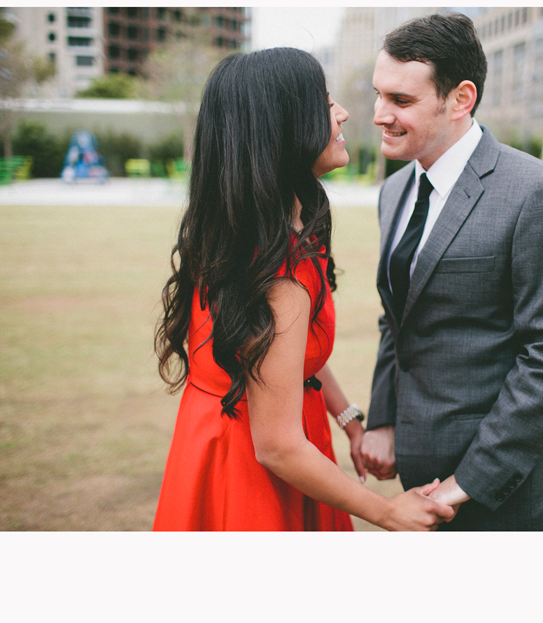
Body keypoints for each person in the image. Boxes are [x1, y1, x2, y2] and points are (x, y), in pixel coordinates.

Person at [152, 47, 454, 531]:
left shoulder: (253, 231)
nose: (345, 112)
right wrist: (387, 511)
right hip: (253, 475)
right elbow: (277, 445)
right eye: (325, 102)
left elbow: (284, 356)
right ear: (282, 129)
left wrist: (349, 419)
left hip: (233, 444)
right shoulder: (279, 273)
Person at [360, 14, 543, 531]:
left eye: (401, 101)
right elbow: (397, 321)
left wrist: (467, 482)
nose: (379, 114)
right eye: (378, 95)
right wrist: (382, 418)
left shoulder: (538, 193)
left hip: (510, 495)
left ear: (461, 98)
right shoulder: (394, 191)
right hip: (416, 482)